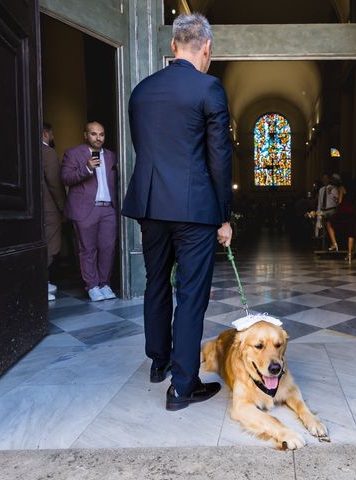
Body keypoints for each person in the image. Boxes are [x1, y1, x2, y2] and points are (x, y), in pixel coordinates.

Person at [122, 13, 232, 411]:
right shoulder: (209, 88)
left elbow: (145, 149)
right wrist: (224, 215)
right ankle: (182, 387)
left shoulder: (141, 91)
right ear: (206, 48)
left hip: (151, 205)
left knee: (156, 283)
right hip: (194, 208)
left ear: (173, 47)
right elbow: (219, 157)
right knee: (191, 295)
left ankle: (158, 362)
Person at [61, 121, 118, 302]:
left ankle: (104, 283)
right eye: (93, 134)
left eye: (101, 134)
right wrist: (86, 168)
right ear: (85, 135)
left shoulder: (112, 156)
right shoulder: (73, 153)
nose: (98, 137)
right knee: (88, 249)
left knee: (108, 248)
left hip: (108, 208)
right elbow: (65, 178)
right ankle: (92, 286)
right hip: (86, 209)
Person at [42, 122, 66, 301]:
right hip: (49, 209)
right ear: (45, 134)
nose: (52, 137)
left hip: (33, 211)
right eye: (51, 134)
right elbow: (55, 184)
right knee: (52, 245)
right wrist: (63, 208)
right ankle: (38, 282)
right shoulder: (48, 153)